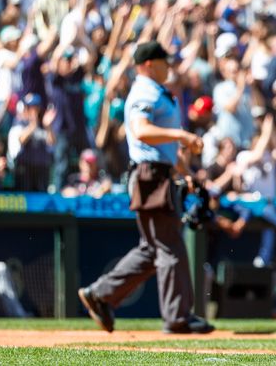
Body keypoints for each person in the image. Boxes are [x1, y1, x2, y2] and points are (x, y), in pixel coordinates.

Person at [77, 41, 214, 334]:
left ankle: (100, 294)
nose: (170, 66)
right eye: (165, 61)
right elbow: (140, 130)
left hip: (158, 172)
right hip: (150, 175)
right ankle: (177, 318)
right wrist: (183, 136)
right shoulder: (143, 90)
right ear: (149, 64)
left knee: (153, 249)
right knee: (169, 246)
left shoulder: (156, 91)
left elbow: (163, 146)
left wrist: (186, 173)